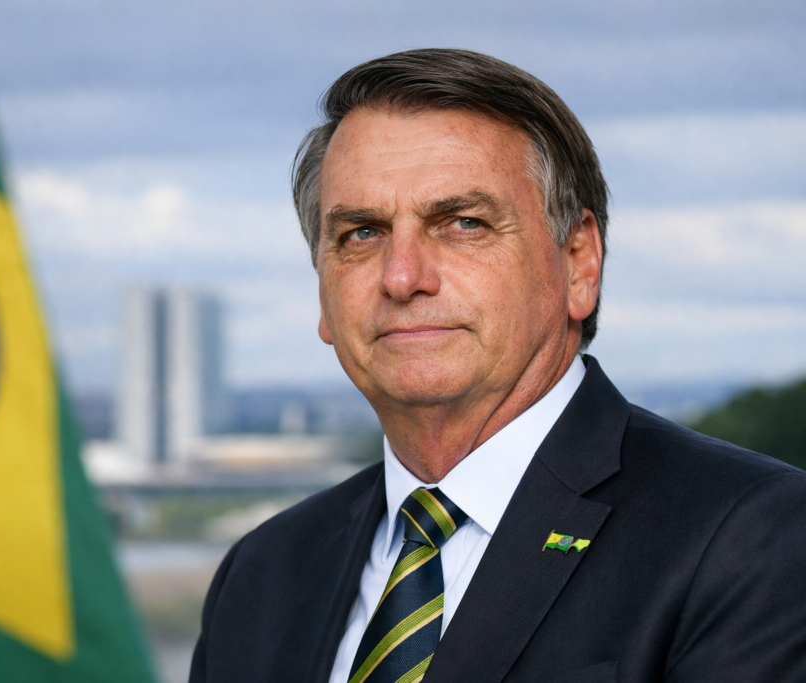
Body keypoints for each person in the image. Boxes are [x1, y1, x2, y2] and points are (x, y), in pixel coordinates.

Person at [188, 49, 806, 683]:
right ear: (323, 294)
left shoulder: (751, 537)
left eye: (463, 223)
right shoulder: (261, 575)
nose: (401, 277)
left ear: (579, 264)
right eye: (362, 233)